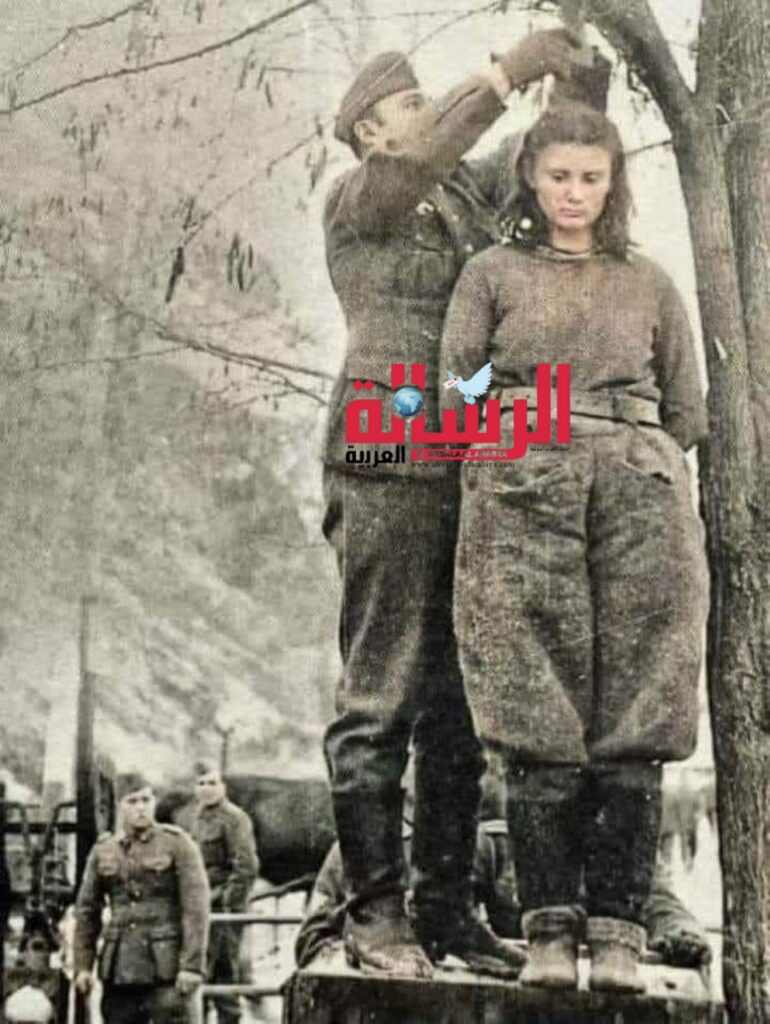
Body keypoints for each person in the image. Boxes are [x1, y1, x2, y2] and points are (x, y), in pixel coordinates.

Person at [322, 30, 590, 980]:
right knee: (380, 694)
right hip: (382, 453)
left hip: (465, 460)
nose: (428, 114)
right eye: (410, 107)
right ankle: (372, 916)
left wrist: (577, 73)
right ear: (369, 130)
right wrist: (503, 73)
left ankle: (444, 911)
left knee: (459, 705)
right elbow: (429, 152)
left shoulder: (462, 192)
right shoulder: (361, 196)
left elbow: (542, 164)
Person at [440, 104, 709, 993]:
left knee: (639, 708)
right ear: (530, 175)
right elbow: (457, 392)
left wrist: (618, 447)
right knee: (535, 709)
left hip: (639, 494)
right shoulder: (492, 274)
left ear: (613, 183)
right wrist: (522, 414)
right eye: (559, 175)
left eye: (592, 177)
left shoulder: (648, 281)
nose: (574, 193)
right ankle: (549, 933)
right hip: (521, 490)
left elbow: (687, 408)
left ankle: (623, 933)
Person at [73, 773, 210, 1024]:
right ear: (120, 806)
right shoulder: (104, 850)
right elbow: (87, 911)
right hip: (119, 972)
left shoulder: (177, 844)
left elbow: (196, 910)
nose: (140, 808)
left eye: (146, 800)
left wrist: (192, 966)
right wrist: (83, 966)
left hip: (166, 970)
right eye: (132, 801)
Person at [185, 762, 260, 1024]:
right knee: (202, 972)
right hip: (201, 908)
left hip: (222, 910)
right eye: (201, 784)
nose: (206, 789)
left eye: (212, 783)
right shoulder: (198, 817)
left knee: (225, 975)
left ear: (223, 787)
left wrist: (228, 904)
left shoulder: (235, 818)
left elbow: (246, 866)